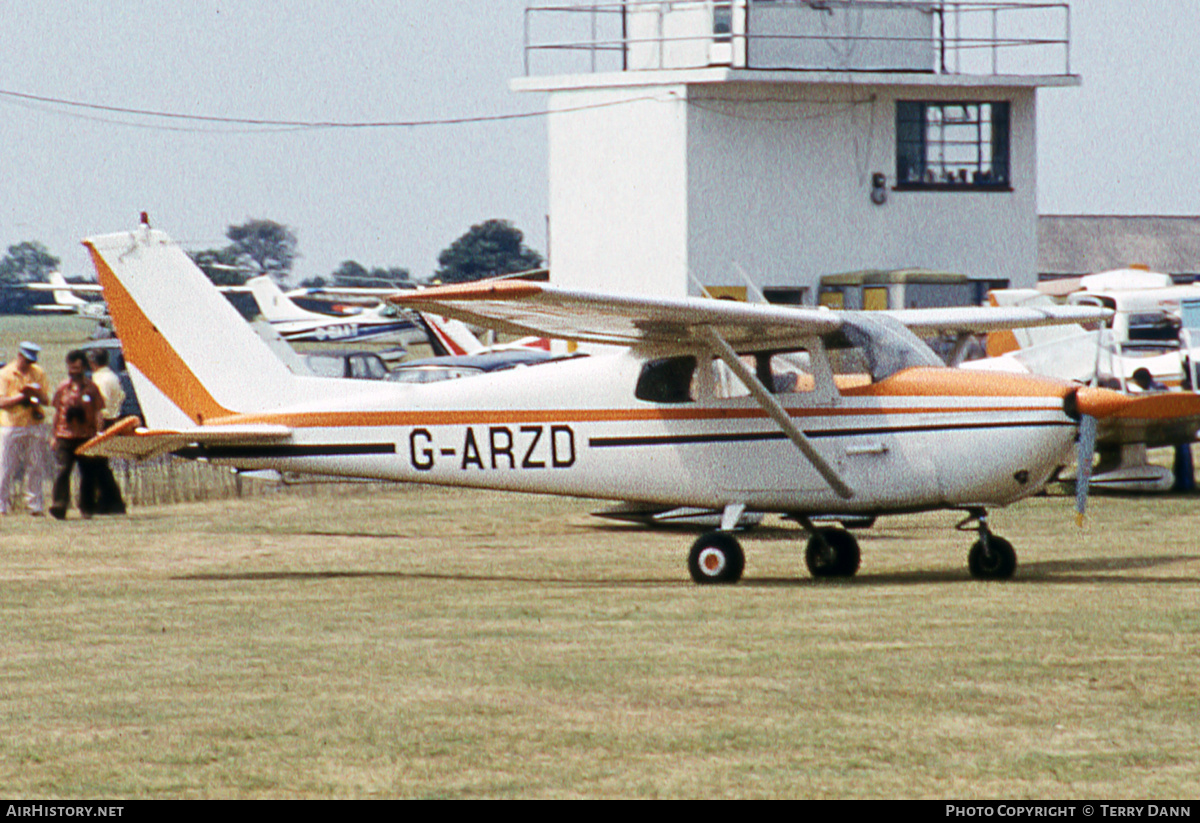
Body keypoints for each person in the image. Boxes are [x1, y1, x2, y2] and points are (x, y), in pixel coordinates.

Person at [49, 350, 105, 520]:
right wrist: (53, 435)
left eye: (77, 368)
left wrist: (99, 434)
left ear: (83, 368)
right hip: (65, 436)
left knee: (88, 473)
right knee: (63, 470)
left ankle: (87, 507)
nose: (73, 372)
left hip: (86, 436)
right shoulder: (62, 388)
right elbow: (57, 412)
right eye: (71, 368)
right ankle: (59, 504)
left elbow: (98, 413)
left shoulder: (92, 388)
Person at [0, 341, 50, 515]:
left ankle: (35, 506)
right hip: (12, 425)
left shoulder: (38, 373)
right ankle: (1, 505)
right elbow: (2, 402)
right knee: (6, 467)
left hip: (34, 424)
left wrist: (37, 395)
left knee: (35, 466)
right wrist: (23, 397)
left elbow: (46, 400)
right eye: (27, 360)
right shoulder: (5, 374)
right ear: (20, 356)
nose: (29, 365)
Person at [87, 348, 127, 515]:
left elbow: (99, 406)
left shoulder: (99, 379)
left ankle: (112, 502)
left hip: (101, 423)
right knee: (100, 465)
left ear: (93, 362)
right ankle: (109, 502)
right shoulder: (112, 377)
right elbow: (121, 396)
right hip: (112, 420)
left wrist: (97, 430)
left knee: (97, 465)